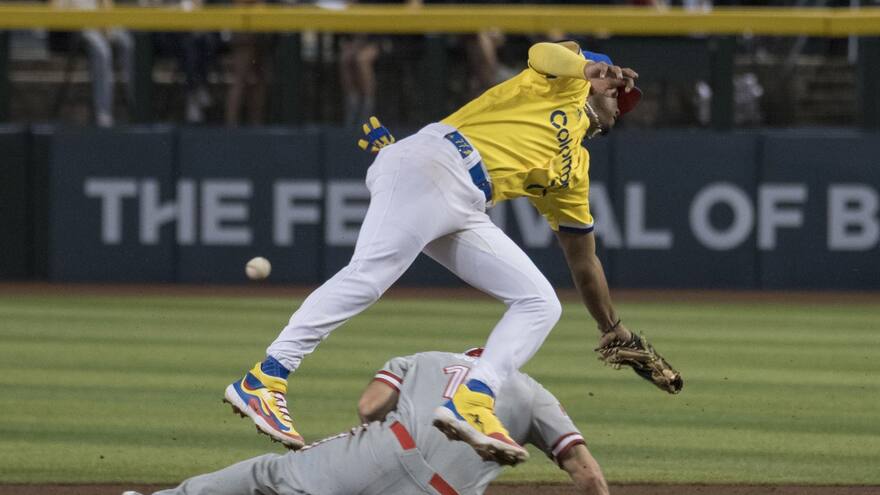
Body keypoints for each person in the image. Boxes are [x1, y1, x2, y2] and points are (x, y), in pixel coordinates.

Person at [224, 40, 642, 464]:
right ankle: (266, 377)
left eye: (623, 96)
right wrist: (586, 66)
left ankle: (473, 399)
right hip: (441, 163)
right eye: (614, 85)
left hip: (463, 200)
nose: (618, 95)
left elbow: (583, 260)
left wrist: (612, 326)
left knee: (539, 302)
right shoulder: (562, 83)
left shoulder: (574, 173)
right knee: (368, 277)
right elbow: (545, 50)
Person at [128, 349, 609, 495]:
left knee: (268, 477)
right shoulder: (533, 393)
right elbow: (586, 474)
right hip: (444, 492)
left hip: (383, 448)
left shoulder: (432, 358)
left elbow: (369, 407)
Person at [53, 0, 135, 127]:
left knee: (128, 44)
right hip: (79, 27)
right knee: (102, 51)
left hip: (102, 25)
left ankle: (138, 107)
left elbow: (107, 5)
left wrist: (106, 24)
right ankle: (103, 115)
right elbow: (56, 7)